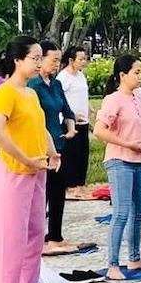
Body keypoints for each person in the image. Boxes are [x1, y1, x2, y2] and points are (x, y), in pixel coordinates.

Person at [0, 37, 60, 283]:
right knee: (12, 239)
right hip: (15, 172)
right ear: (18, 60)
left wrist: (52, 153)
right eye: (34, 58)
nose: (38, 62)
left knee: (35, 236)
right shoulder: (6, 92)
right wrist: (24, 159)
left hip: (37, 171)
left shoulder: (30, 94)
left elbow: (41, 127)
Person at [94, 55, 141, 281]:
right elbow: (99, 130)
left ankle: (134, 258)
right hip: (120, 161)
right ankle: (112, 264)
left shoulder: (139, 98)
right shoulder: (114, 99)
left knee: (138, 212)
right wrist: (126, 144)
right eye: (136, 72)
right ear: (122, 75)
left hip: (140, 161)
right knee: (122, 212)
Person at [29, 41, 79, 255]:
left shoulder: (56, 84)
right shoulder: (33, 86)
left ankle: (55, 235)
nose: (57, 65)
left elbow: (67, 111)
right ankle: (37, 239)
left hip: (59, 143)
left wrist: (70, 127)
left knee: (58, 192)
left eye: (59, 60)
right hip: (40, 146)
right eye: (54, 60)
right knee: (41, 195)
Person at [57, 46, 91, 199]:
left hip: (83, 122)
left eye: (85, 58)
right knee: (71, 154)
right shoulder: (63, 77)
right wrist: (70, 114)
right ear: (71, 60)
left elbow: (83, 94)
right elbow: (59, 99)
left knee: (83, 154)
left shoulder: (80, 76)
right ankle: (69, 186)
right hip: (69, 122)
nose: (83, 62)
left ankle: (80, 184)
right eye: (81, 59)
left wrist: (89, 108)